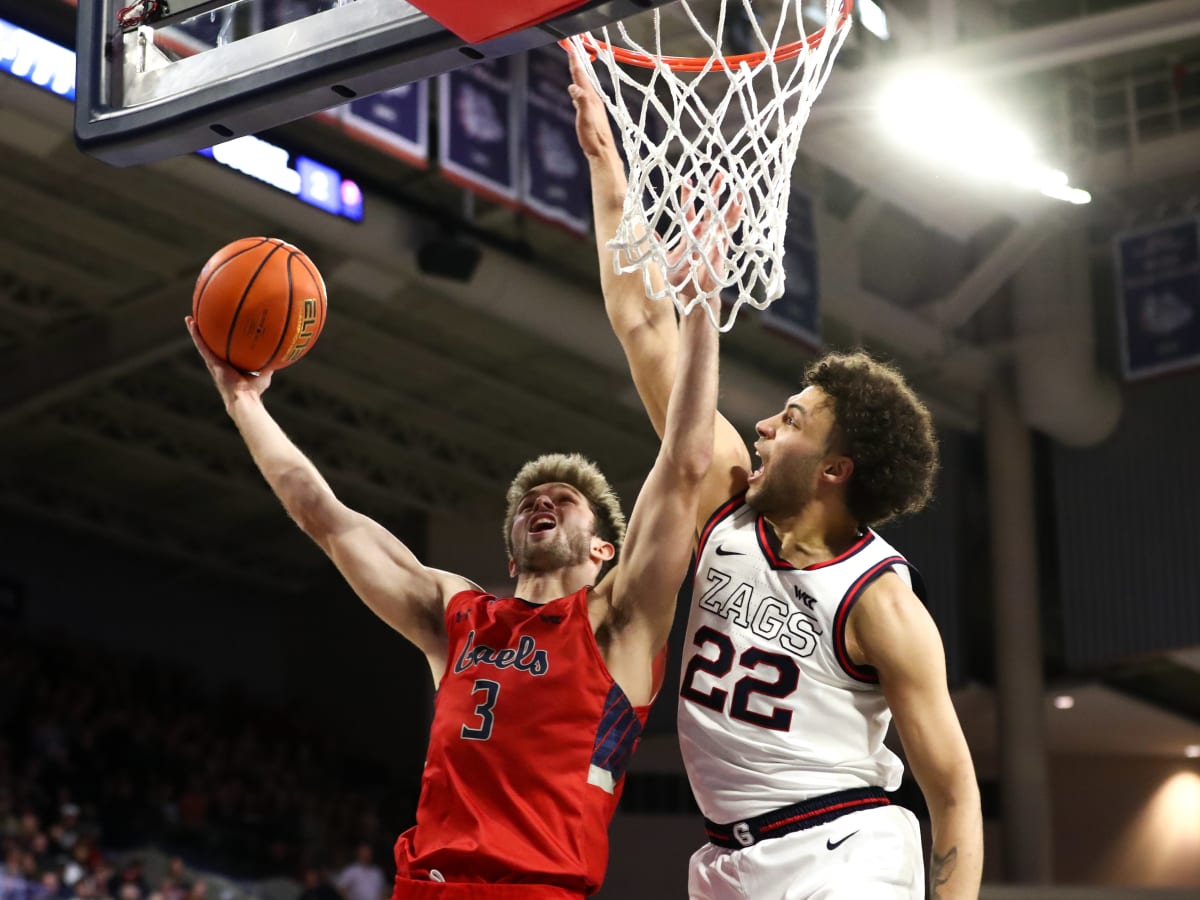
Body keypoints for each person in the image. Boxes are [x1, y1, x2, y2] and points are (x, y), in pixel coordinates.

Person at [569, 50, 984, 900]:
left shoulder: (880, 602)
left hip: (847, 852)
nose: (761, 424)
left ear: (835, 469)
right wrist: (608, 175)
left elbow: (955, 797)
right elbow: (641, 324)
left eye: (790, 420)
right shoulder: (728, 497)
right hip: (728, 860)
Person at [184, 245, 722, 899]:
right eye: (530, 502)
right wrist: (244, 403)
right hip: (424, 887)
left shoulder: (619, 623)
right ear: (510, 551)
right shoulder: (459, 617)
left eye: (563, 499)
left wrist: (699, 311)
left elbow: (685, 465)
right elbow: (324, 517)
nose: (541, 502)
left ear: (603, 550)